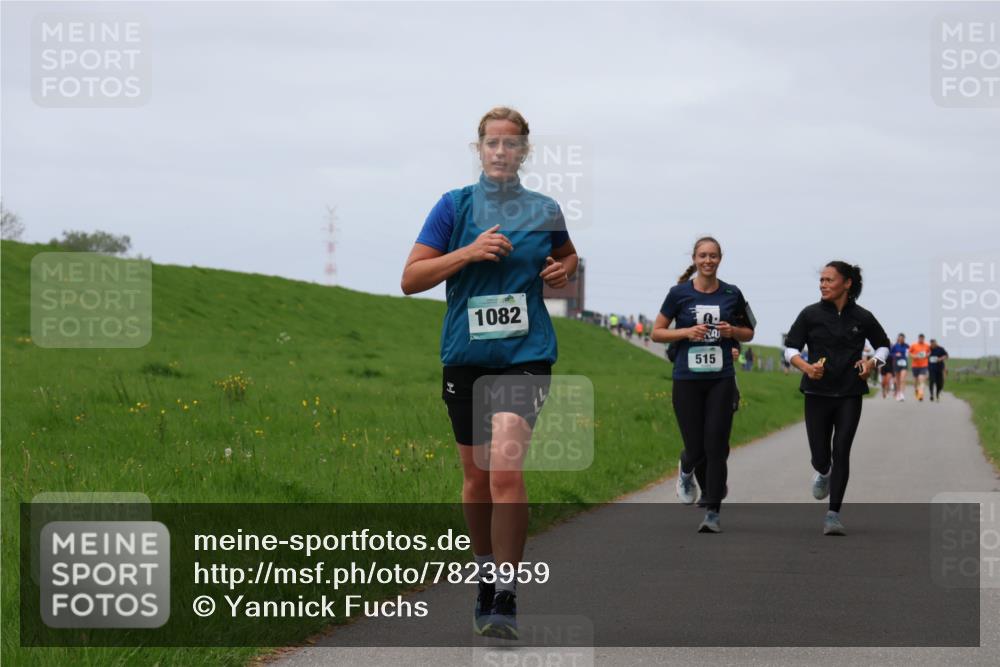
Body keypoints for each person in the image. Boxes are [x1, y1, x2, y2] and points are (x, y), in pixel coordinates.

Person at [400, 107, 578, 639]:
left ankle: (505, 592)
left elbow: (569, 258)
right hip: (466, 357)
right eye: (492, 143)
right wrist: (469, 252)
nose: (501, 151)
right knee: (477, 478)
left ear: (525, 151)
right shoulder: (453, 207)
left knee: (504, 470)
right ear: (478, 149)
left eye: (511, 143)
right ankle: (483, 572)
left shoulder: (544, 209)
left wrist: (562, 270)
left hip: (526, 356)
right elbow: (411, 279)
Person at [652, 237, 755, 533]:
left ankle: (712, 511)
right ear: (695, 259)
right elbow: (657, 332)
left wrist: (732, 331)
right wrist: (686, 332)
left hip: (721, 378)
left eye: (713, 256)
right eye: (703, 256)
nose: (708, 261)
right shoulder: (678, 294)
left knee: (717, 446)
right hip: (687, 379)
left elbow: (749, 332)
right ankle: (686, 470)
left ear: (720, 258)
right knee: (696, 448)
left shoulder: (732, 293)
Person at [783, 262, 890, 535]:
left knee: (841, 449)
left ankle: (833, 515)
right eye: (821, 280)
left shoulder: (863, 317)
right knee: (820, 456)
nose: (823, 284)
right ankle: (823, 472)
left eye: (829, 280)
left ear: (847, 283)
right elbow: (790, 348)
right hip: (816, 393)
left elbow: (883, 346)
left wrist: (872, 363)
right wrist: (806, 367)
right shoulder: (810, 314)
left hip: (850, 393)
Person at [909, 334, 932, 401]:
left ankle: (921, 394)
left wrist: (927, 355)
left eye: (922, 338)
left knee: (921, 379)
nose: (921, 339)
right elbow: (909, 353)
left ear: (924, 339)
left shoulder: (927, 346)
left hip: (924, 365)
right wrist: (914, 356)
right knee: (915, 381)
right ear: (918, 338)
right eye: (920, 338)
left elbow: (930, 352)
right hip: (915, 365)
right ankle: (916, 390)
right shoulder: (914, 345)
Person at [890, 334, 909, 401]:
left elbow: (910, 352)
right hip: (897, 364)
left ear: (904, 339)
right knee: (898, 380)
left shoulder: (907, 346)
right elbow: (890, 354)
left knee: (902, 379)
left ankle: (902, 394)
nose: (901, 339)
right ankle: (898, 392)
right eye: (900, 338)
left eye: (902, 338)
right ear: (898, 339)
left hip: (904, 363)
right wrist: (895, 354)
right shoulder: (895, 346)